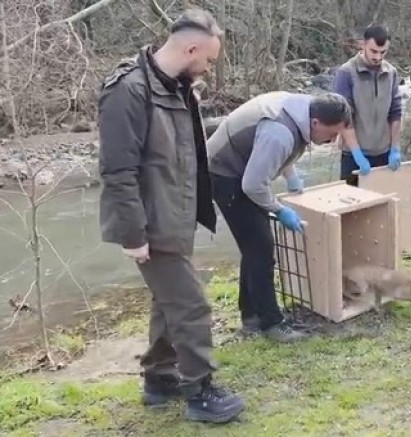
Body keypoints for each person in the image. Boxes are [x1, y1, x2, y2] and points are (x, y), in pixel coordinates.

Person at [97, 9, 244, 423]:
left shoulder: (177, 88)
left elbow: (184, 157)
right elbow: (117, 170)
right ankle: (201, 393)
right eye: (209, 60)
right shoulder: (128, 90)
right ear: (191, 49)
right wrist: (133, 235)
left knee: (169, 303)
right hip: (151, 221)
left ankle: (160, 378)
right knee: (191, 306)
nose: (209, 68)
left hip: (176, 215)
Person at [206, 91, 352, 341]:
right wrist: (279, 209)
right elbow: (253, 185)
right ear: (315, 122)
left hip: (244, 168)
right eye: (331, 134)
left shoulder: (302, 111)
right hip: (224, 173)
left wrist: (291, 176)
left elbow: (280, 150)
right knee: (261, 249)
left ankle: (252, 315)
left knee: (254, 246)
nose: (333, 140)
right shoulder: (279, 133)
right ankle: (271, 324)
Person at [332, 24, 404, 185]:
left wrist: (395, 148)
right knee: (353, 200)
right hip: (354, 155)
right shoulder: (346, 73)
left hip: (384, 153)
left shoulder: (391, 73)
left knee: (384, 199)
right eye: (373, 51)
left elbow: (396, 112)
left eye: (383, 52)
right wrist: (357, 153)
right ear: (363, 44)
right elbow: (345, 118)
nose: (378, 57)